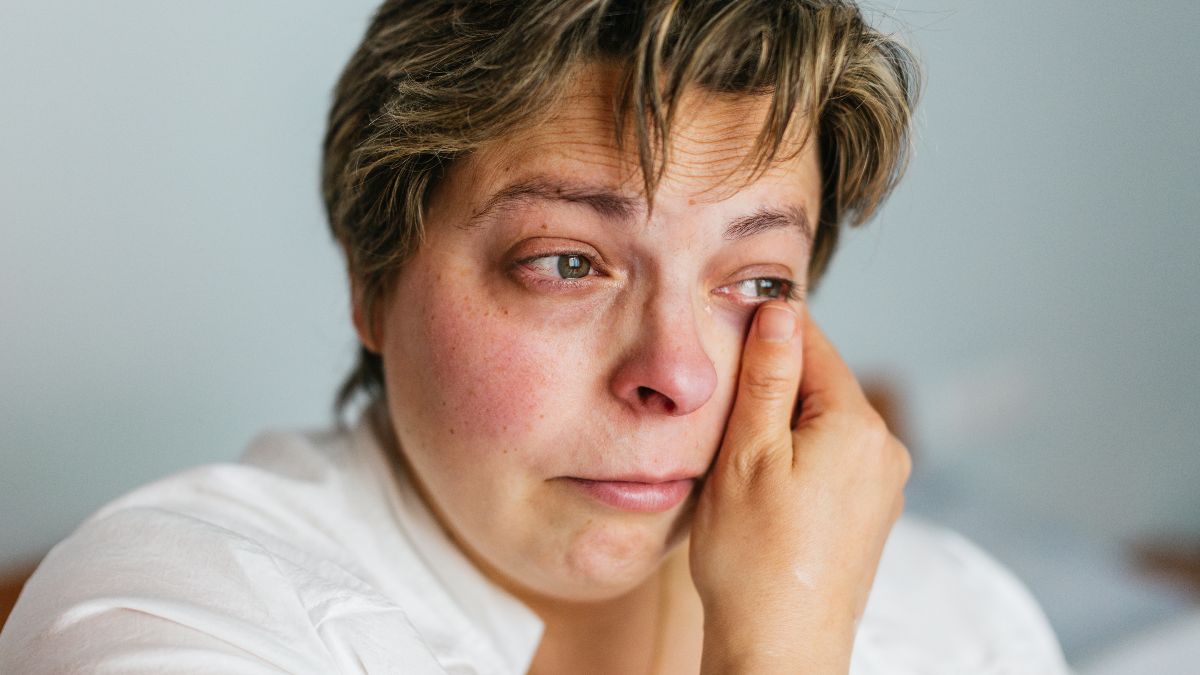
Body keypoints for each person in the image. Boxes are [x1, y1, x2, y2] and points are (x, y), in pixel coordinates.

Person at [0, 1, 1072, 673]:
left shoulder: (958, 622)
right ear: (375, 284)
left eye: (753, 280)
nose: (680, 374)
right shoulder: (168, 610)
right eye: (567, 262)